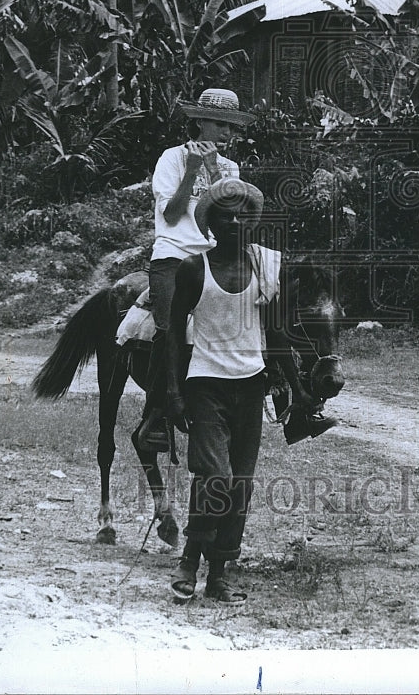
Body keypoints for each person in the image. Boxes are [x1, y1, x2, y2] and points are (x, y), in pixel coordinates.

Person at [164, 178, 314, 603]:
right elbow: (175, 330)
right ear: (210, 224)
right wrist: (173, 392)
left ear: (252, 221)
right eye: (224, 216)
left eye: (241, 215)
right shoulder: (195, 268)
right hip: (205, 385)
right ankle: (189, 561)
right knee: (216, 476)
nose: (233, 222)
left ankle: (217, 576)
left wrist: (299, 390)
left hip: (250, 386)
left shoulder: (267, 268)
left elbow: (278, 332)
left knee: (241, 484)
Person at [135, 89, 255, 452]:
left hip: (214, 256)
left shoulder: (231, 167)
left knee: (263, 313)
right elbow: (171, 215)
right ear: (199, 122)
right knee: (168, 326)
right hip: (173, 255)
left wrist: (215, 170)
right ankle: (155, 413)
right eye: (220, 124)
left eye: (232, 128)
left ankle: (289, 399)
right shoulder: (171, 158)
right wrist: (191, 171)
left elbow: (232, 212)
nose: (226, 134)